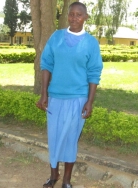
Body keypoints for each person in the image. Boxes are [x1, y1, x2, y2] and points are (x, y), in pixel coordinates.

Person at [36, 2, 103, 188]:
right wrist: (44, 95)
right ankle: (53, 175)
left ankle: (66, 180)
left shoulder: (91, 43)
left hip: (78, 98)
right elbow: (46, 64)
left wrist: (89, 101)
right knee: (54, 137)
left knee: (71, 138)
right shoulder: (56, 37)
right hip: (55, 98)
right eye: (71, 14)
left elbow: (94, 73)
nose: (74, 18)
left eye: (79, 15)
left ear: (86, 17)